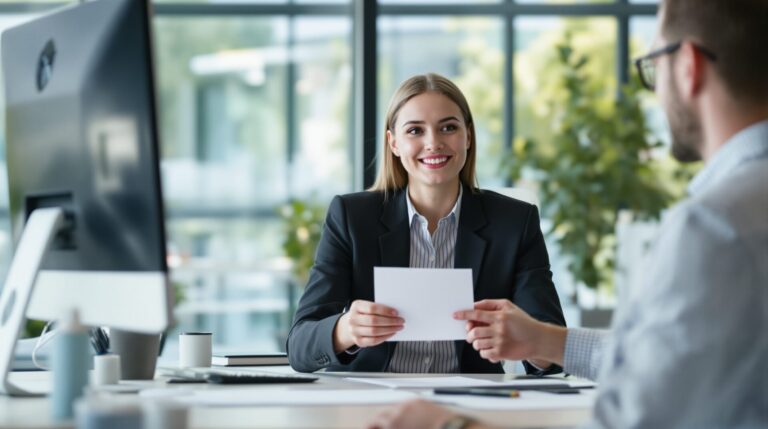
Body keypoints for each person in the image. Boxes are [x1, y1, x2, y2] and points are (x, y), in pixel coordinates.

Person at [368, 0, 768, 427]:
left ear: (687, 67)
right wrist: (552, 342)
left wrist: (449, 425)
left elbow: (638, 417)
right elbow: (669, 362)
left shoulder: (715, 225)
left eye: (653, 63)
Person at [286, 73, 565, 374]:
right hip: (372, 402)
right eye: (415, 130)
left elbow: (552, 355)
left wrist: (530, 342)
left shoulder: (515, 222)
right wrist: (346, 330)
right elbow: (300, 347)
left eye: (448, 127)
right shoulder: (352, 217)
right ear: (393, 143)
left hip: (469, 404)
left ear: (468, 136)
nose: (433, 143)